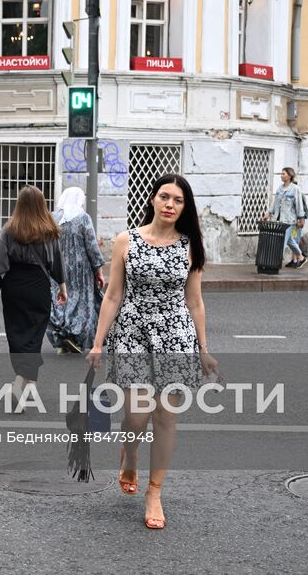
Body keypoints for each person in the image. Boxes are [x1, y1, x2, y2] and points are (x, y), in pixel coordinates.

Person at [88, 173, 216, 531]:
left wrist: (203, 349)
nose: (170, 205)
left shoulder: (190, 246)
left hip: (176, 335)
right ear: (153, 199)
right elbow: (113, 295)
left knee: (166, 418)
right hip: (132, 333)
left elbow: (195, 301)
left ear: (184, 207)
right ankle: (130, 453)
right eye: (165, 197)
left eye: (178, 200)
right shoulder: (125, 241)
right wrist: (98, 343)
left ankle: (154, 491)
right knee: (136, 416)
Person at [0, 186, 68, 397]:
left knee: (17, 336)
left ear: (19, 205)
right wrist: (62, 287)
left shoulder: (8, 230)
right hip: (38, 285)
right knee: (34, 335)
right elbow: (57, 263)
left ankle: (27, 384)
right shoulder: (50, 231)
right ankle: (21, 385)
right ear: (42, 205)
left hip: (13, 286)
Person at [47, 187, 104, 353]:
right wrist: (98, 269)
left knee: (58, 301)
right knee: (79, 303)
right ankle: (73, 337)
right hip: (81, 270)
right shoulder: (83, 218)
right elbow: (92, 246)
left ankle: (62, 338)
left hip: (57, 267)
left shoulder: (52, 217)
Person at [265, 167, 308, 268]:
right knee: (290, 241)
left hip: (289, 220)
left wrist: (301, 219)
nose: (281, 175)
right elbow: (275, 202)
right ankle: (301, 258)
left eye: (283, 174)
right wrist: (268, 213)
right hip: (279, 219)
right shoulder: (280, 189)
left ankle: (274, 263)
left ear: (289, 176)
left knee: (281, 242)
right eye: (281, 173)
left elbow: (299, 205)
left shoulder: (295, 189)